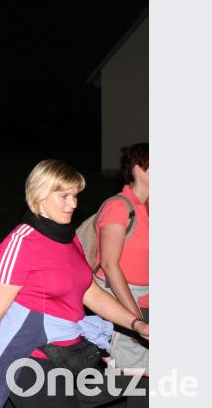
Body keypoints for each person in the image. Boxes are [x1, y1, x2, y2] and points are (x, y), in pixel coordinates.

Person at [0, 160, 149, 407]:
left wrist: (137, 324)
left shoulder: (69, 238)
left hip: (66, 357)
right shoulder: (21, 243)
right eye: (64, 196)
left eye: (76, 195)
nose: (74, 204)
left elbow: (89, 291)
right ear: (40, 195)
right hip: (29, 359)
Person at [95, 143, 149, 375]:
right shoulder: (119, 207)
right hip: (123, 298)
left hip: (148, 299)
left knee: (146, 378)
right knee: (125, 378)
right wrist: (134, 319)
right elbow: (109, 265)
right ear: (138, 168)